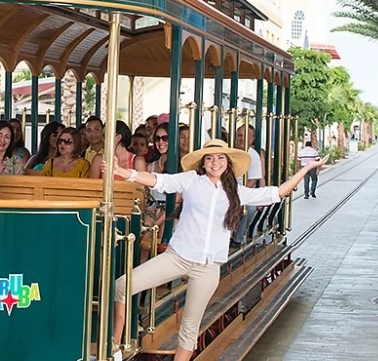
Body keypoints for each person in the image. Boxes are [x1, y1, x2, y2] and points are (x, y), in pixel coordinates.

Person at [104, 139, 328, 361]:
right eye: (210, 158)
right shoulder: (191, 180)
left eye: (220, 158)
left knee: (190, 329)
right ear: (203, 162)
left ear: (228, 163)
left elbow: (276, 193)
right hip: (178, 257)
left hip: (208, 268)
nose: (215, 162)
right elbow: (158, 181)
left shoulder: (236, 192)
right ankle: (115, 347)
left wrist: (307, 168)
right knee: (122, 286)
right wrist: (124, 173)